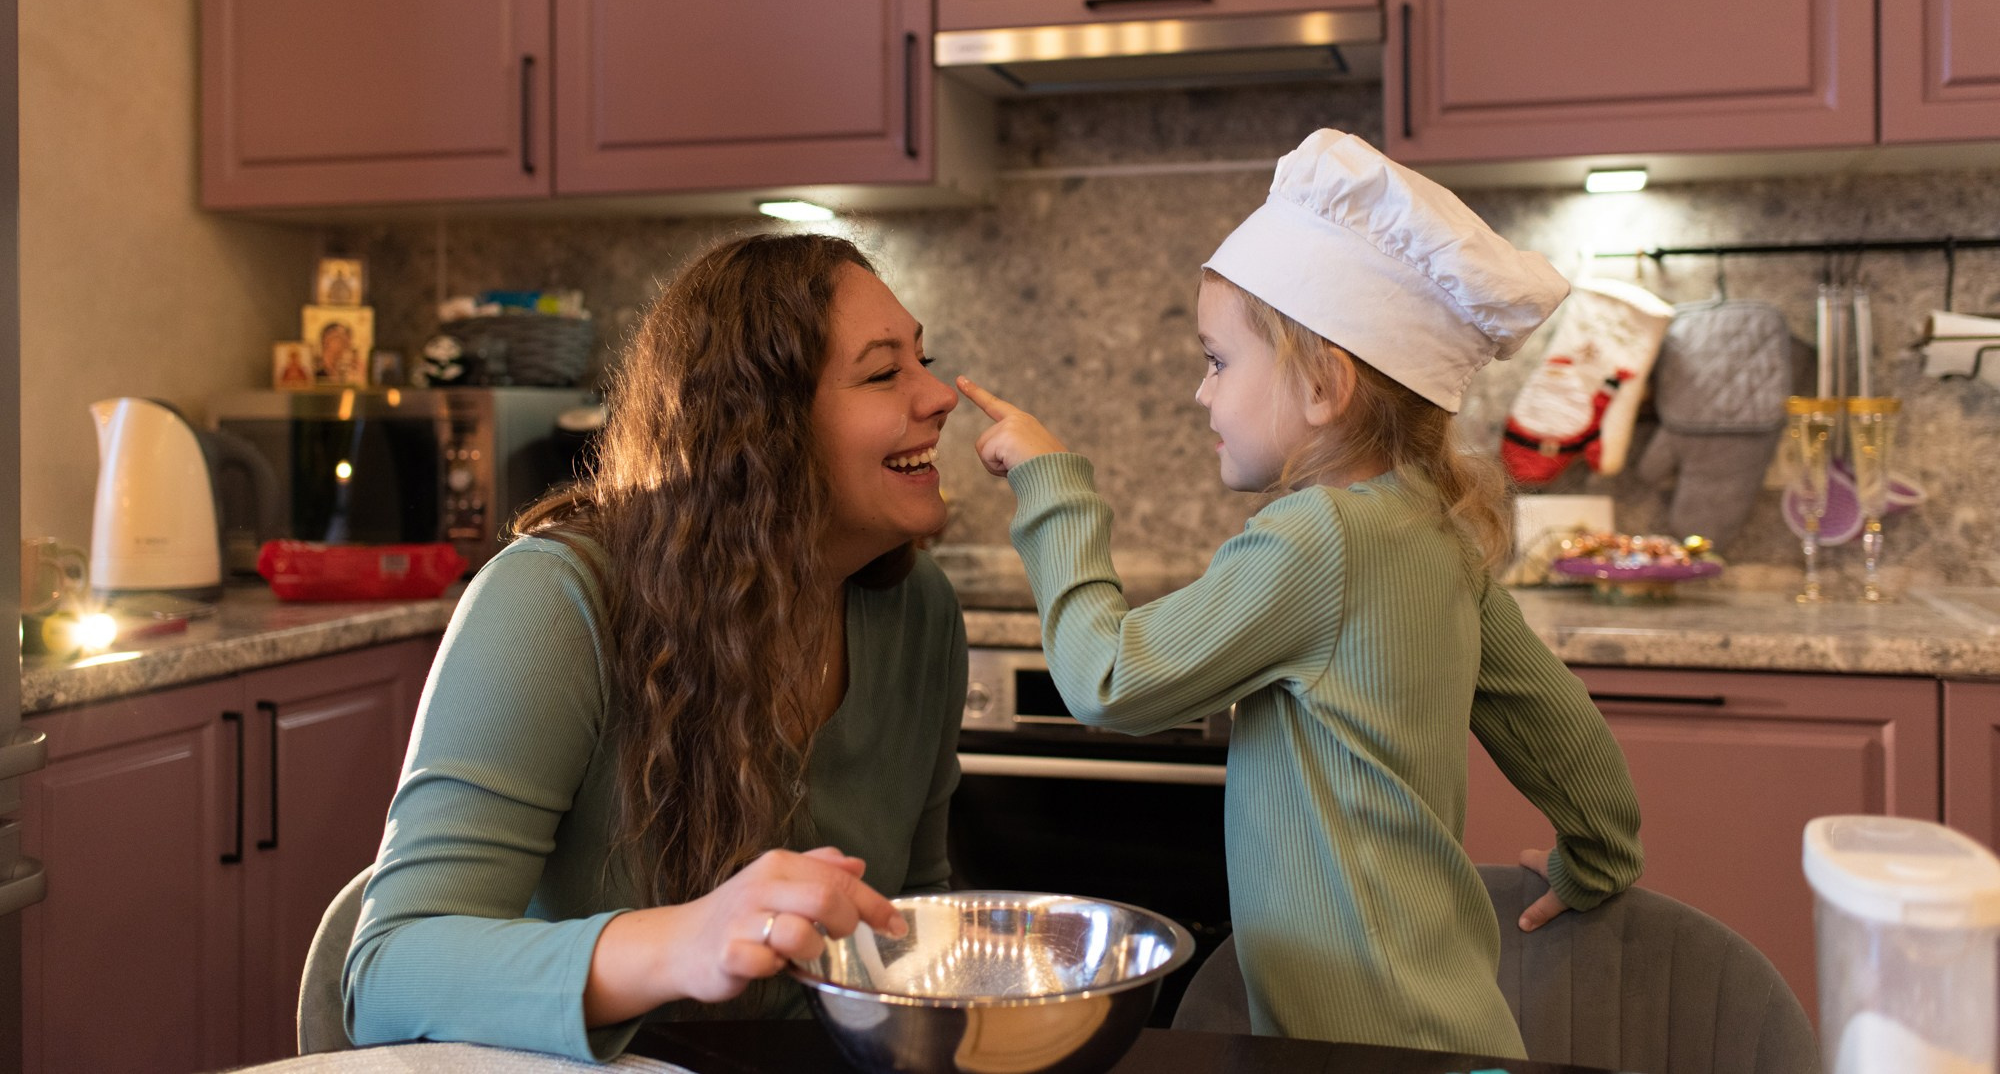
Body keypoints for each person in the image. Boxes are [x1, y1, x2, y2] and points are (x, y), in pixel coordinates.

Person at [956, 129, 1643, 1058]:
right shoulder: (1431, 532)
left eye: (1218, 360)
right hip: (1442, 1029)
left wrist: (1050, 485)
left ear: (1324, 385)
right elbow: (1556, 724)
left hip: (1362, 1048)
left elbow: (1105, 678)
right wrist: (1596, 857)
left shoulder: (1317, 537)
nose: (1202, 394)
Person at [344, 233, 966, 1061]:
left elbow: (910, 917)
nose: (940, 395)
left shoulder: (918, 613)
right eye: (885, 372)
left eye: (923, 360)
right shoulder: (554, 602)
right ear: (761, 428)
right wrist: (688, 940)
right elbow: (388, 973)